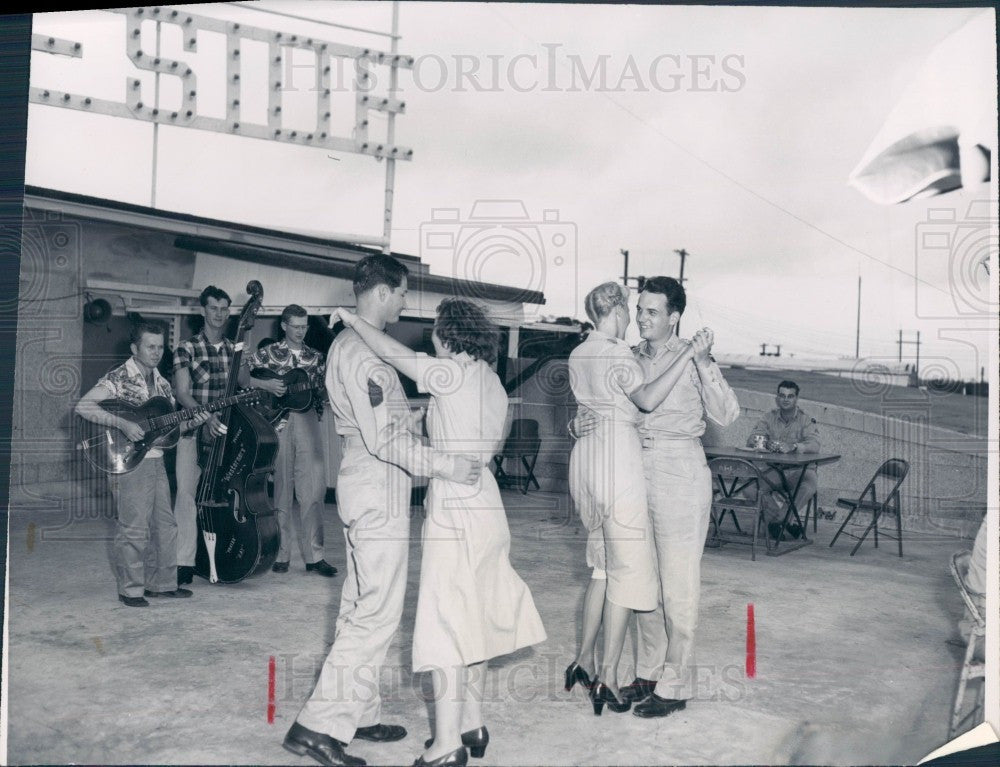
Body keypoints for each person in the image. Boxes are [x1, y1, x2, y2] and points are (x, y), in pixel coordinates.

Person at [283, 256, 484, 767]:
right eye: (400, 294)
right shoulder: (366, 357)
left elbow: (386, 422)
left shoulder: (349, 346)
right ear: (382, 292)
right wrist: (445, 465)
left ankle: (360, 711)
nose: (403, 303)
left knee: (358, 602)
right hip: (378, 485)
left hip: (366, 480)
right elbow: (386, 437)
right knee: (377, 611)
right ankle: (319, 727)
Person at [329, 296, 546, 766]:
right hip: (488, 502)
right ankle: (473, 723)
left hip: (455, 508)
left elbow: (390, 352)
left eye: (435, 333)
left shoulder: (450, 373)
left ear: (447, 335)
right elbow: (468, 437)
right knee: (476, 617)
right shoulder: (491, 380)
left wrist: (351, 320)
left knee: (445, 623)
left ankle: (447, 746)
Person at [574, 277, 741, 717]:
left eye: (652, 311)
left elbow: (727, 413)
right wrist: (578, 426)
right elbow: (593, 409)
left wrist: (703, 362)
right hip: (630, 470)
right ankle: (648, 671)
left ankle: (676, 682)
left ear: (674, 316)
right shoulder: (624, 356)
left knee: (677, 585)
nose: (643, 318)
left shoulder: (692, 358)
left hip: (679, 470)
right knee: (640, 580)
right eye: (640, 310)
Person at [75, 319, 207, 606]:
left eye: (160, 347)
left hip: (156, 459)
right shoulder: (120, 376)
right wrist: (121, 423)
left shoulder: (162, 382)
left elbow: (168, 430)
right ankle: (131, 590)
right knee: (134, 528)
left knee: (165, 526)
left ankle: (161, 584)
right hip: (129, 460)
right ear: (135, 348)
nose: (156, 352)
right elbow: (83, 406)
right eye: (150, 346)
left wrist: (191, 423)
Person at [240, 305, 337, 577]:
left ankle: (315, 556)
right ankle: (281, 553)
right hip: (277, 423)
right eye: (295, 326)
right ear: (284, 326)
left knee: (314, 490)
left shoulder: (316, 357)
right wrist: (267, 386)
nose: (300, 331)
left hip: (307, 419)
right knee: (281, 489)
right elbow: (244, 379)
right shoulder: (266, 354)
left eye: (304, 326)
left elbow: (324, 392)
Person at [172, 286, 234, 586]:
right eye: (214, 308)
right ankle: (184, 562)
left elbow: (239, 393)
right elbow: (182, 393)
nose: (219, 314)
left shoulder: (235, 350)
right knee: (186, 495)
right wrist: (207, 417)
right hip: (193, 431)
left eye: (224, 309)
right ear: (203, 310)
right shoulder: (186, 348)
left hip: (225, 434)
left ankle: (222, 557)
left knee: (223, 494)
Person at [746, 380, 820, 540]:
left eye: (790, 396)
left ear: (796, 399)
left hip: (800, 471)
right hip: (776, 471)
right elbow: (752, 439)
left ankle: (779, 521)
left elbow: (815, 445)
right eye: (782, 395)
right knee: (750, 490)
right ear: (777, 398)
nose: (786, 399)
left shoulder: (806, 420)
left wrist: (793, 446)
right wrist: (766, 443)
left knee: (809, 486)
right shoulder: (768, 417)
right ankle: (781, 522)